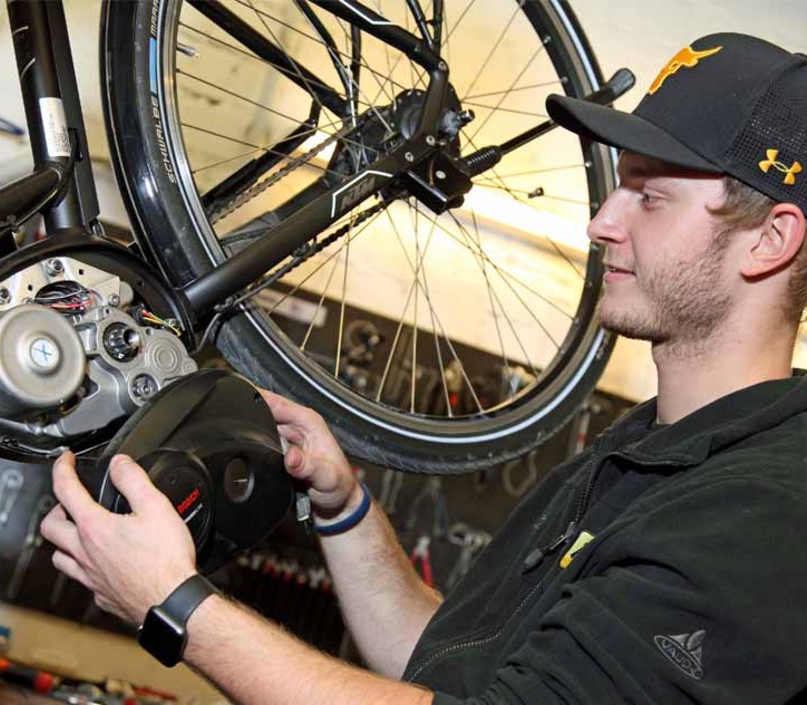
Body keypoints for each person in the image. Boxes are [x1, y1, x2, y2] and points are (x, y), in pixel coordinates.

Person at [41, 32, 807, 704]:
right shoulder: (638, 452)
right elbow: (445, 667)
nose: (602, 222)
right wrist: (345, 510)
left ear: (770, 242)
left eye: (652, 196)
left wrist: (176, 606)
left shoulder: (767, 515)